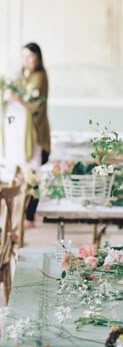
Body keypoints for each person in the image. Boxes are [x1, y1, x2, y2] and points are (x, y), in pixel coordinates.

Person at [3, 43, 51, 226]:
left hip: (35, 133)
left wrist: (16, 97)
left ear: (38, 58)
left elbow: (34, 105)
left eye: (30, 56)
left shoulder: (39, 77)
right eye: (24, 56)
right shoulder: (25, 75)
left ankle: (29, 216)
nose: (26, 60)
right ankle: (25, 215)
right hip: (21, 132)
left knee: (33, 171)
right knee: (25, 172)